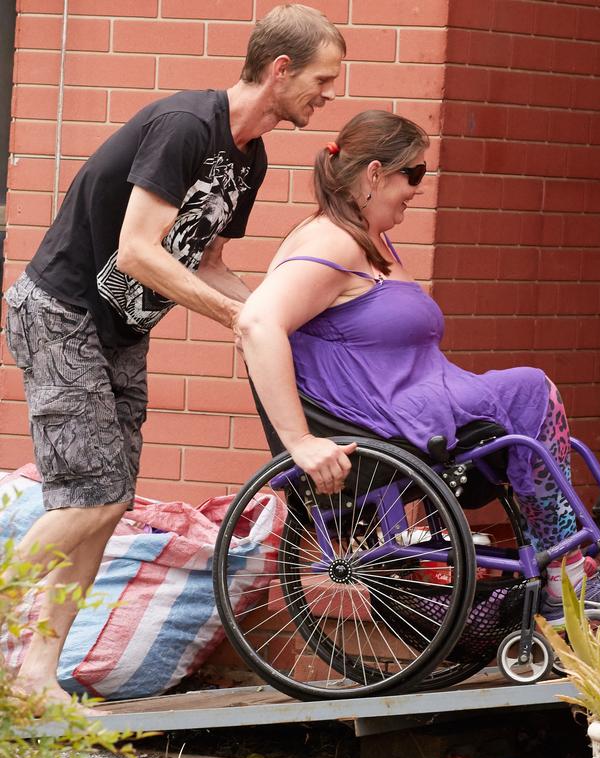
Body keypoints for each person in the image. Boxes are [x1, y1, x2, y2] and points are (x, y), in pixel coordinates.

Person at [2, 4, 345, 708]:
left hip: (121, 331)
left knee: (107, 502)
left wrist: (271, 314)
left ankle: (38, 675)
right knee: (93, 497)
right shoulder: (189, 125)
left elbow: (210, 260)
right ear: (280, 70)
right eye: (322, 78)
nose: (329, 94)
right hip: (60, 313)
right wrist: (235, 318)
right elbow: (137, 249)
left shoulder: (249, 158)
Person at [239, 109, 600, 626]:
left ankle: (564, 567)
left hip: (412, 399)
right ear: (373, 173)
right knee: (531, 390)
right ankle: (566, 576)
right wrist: (299, 443)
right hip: (388, 416)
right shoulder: (332, 242)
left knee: (532, 408)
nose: (418, 188)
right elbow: (256, 322)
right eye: (414, 174)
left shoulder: (363, 238)